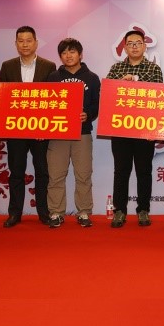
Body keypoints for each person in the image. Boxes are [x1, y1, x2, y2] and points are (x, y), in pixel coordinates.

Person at [0, 26, 57, 227]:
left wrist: (45, 128)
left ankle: (43, 212)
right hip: (15, 130)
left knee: (42, 171)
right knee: (16, 172)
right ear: (15, 44)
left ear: (36, 43)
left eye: (28, 40)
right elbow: (2, 98)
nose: (25, 44)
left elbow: (52, 99)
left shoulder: (49, 66)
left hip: (40, 130)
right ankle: (15, 213)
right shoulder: (7, 66)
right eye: (21, 41)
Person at [106, 30, 163, 228]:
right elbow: (108, 94)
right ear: (125, 47)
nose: (134, 46)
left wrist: (136, 80)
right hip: (121, 129)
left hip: (145, 130)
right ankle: (119, 210)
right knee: (121, 171)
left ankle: (143, 210)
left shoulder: (154, 69)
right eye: (130, 43)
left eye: (138, 43)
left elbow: (158, 95)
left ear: (145, 46)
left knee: (144, 171)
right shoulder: (116, 69)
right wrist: (121, 84)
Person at [46, 38, 101, 228]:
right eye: (64, 53)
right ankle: (56, 212)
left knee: (83, 175)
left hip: (82, 134)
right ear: (60, 56)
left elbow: (96, 104)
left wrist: (89, 115)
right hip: (58, 133)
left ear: (80, 54)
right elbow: (46, 105)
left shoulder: (92, 78)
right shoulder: (53, 77)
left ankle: (84, 211)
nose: (68, 56)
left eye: (72, 52)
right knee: (55, 175)